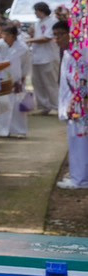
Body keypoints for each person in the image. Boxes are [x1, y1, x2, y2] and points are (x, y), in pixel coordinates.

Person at [58, 20, 88, 190]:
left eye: (61, 34)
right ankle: (78, 175)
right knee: (76, 140)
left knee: (80, 140)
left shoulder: (80, 53)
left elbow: (81, 79)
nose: (57, 39)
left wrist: (78, 100)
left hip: (79, 103)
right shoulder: (69, 53)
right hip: (73, 101)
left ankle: (80, 179)